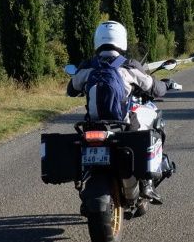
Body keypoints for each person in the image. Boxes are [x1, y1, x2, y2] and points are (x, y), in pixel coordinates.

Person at [67, 21, 174, 204]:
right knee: (153, 126)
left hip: (93, 124)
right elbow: (153, 88)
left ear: (98, 40)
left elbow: (71, 90)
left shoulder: (88, 66)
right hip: (123, 123)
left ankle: (86, 175)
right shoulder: (128, 65)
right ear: (121, 40)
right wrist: (166, 84)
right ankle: (147, 183)